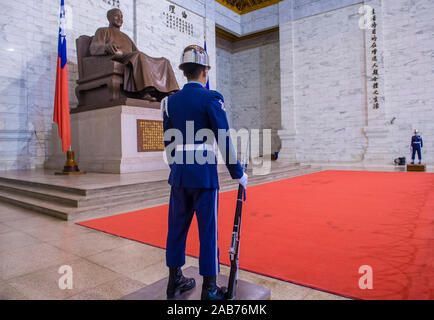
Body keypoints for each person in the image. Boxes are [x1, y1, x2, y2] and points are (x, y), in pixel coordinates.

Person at [161, 45, 248, 300]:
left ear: (183, 71)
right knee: (207, 230)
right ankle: (209, 289)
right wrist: (238, 172)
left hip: (179, 175)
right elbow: (223, 138)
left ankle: (174, 280)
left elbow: (169, 143)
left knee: (176, 228)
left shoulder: (170, 102)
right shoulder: (211, 99)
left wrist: (177, 167)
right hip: (204, 176)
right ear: (205, 71)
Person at [89, 9, 179, 101]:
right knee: (139, 55)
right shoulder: (103, 31)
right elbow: (93, 48)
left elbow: (137, 52)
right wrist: (105, 47)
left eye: (121, 17)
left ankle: (168, 92)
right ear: (109, 18)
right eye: (116, 16)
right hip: (118, 57)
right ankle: (144, 92)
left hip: (132, 57)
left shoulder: (126, 37)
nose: (120, 18)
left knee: (164, 61)